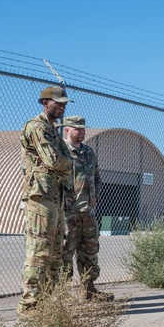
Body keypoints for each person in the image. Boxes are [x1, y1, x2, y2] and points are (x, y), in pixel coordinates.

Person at [17, 85, 74, 317]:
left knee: (55, 253)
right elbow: (54, 160)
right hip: (40, 196)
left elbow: (63, 159)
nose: (61, 107)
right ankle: (29, 305)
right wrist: (65, 164)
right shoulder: (37, 126)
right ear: (45, 103)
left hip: (55, 195)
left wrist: (63, 163)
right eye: (57, 103)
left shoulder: (53, 130)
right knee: (39, 251)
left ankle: (47, 303)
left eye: (63, 104)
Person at [61, 115, 113, 301]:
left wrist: (95, 195)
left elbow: (97, 177)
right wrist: (63, 197)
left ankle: (89, 289)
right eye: (77, 129)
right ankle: (61, 294)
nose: (81, 132)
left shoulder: (88, 152)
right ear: (67, 130)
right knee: (65, 252)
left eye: (83, 129)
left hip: (88, 212)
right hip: (68, 213)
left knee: (90, 250)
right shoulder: (60, 151)